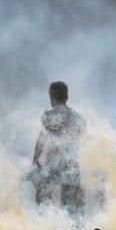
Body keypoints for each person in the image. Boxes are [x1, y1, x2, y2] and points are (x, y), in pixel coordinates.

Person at [31, 81, 86, 218]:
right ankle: (69, 229)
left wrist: (35, 159)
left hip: (53, 163)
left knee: (43, 196)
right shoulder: (77, 117)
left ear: (51, 96)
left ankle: (45, 224)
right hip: (71, 163)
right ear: (66, 97)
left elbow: (42, 140)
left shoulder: (49, 115)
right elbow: (82, 141)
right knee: (69, 203)